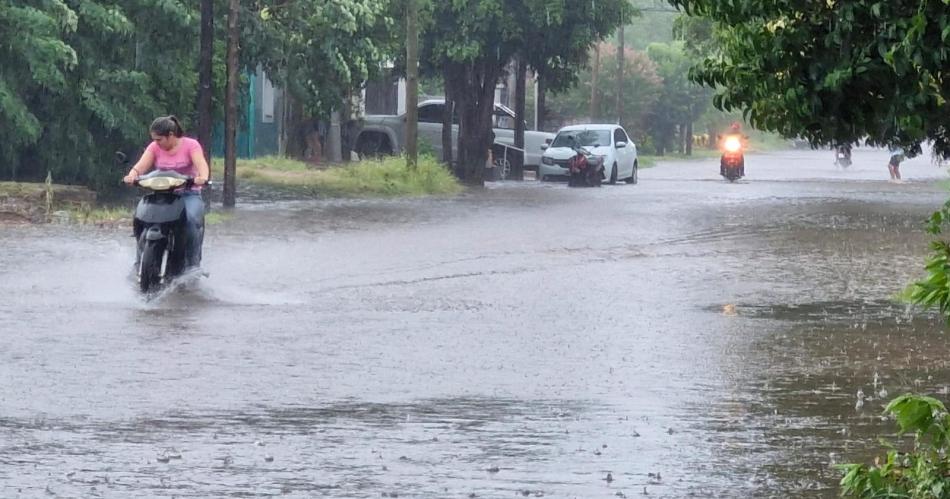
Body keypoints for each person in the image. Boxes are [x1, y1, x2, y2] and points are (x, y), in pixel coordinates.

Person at [123, 116, 210, 268]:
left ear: (171, 135)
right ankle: (139, 261)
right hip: (161, 195)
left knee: (189, 221)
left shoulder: (191, 145)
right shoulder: (154, 147)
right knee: (142, 218)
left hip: (188, 194)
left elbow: (201, 164)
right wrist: (132, 176)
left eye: (159, 139)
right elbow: (140, 166)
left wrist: (202, 177)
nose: (156, 143)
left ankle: (193, 265)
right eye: (154, 140)